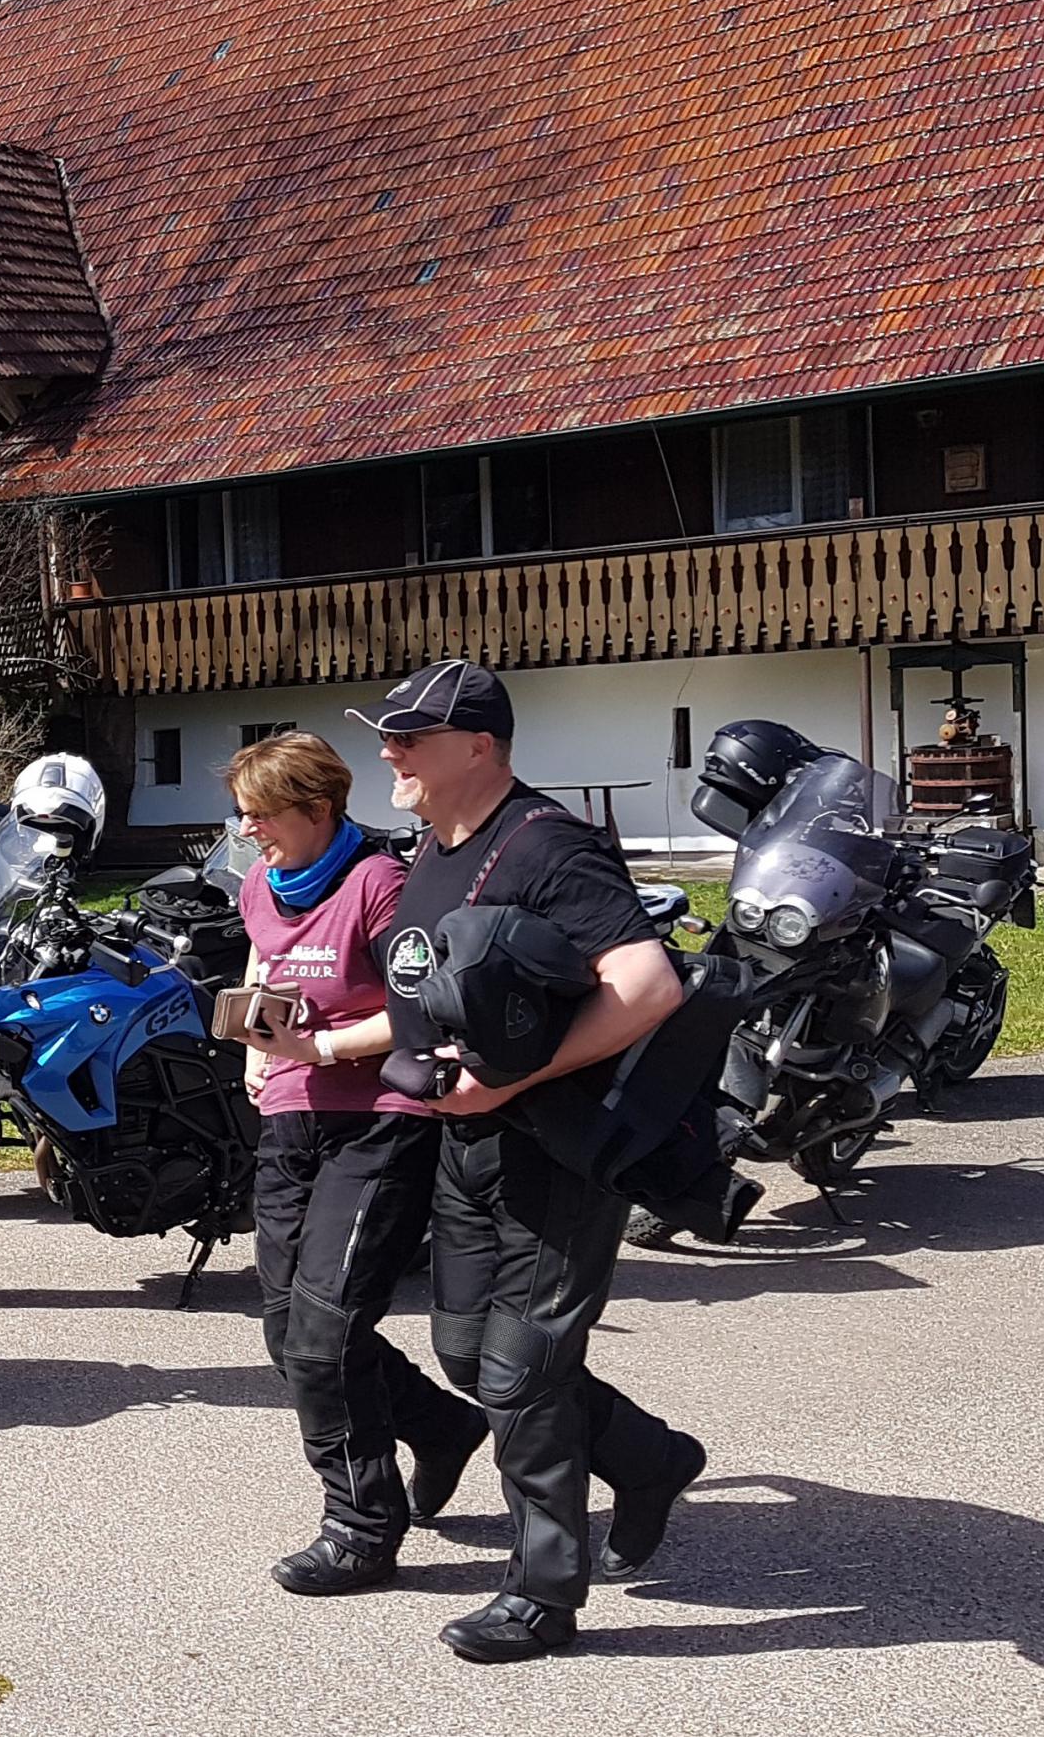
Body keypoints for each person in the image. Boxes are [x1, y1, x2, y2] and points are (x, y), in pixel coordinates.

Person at [352, 660, 718, 1664]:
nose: (388, 752)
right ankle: (649, 1459)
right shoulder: (435, 848)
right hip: (465, 1142)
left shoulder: (547, 845)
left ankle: (541, 1594)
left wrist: (511, 1081)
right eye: (386, 735)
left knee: (520, 1371)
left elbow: (646, 984)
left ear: (478, 745)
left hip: (555, 1150)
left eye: (409, 738)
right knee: (468, 1356)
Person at [227, 732, 493, 1600]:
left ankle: (361, 1529)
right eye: (243, 816)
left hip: (379, 1122)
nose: (249, 831)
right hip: (290, 1117)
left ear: (317, 809)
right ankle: (442, 1426)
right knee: (287, 1336)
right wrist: (257, 1044)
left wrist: (324, 1046)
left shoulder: (380, 884)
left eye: (262, 816)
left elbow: (419, 1010)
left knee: (324, 1337)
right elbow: (265, 957)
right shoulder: (262, 884)